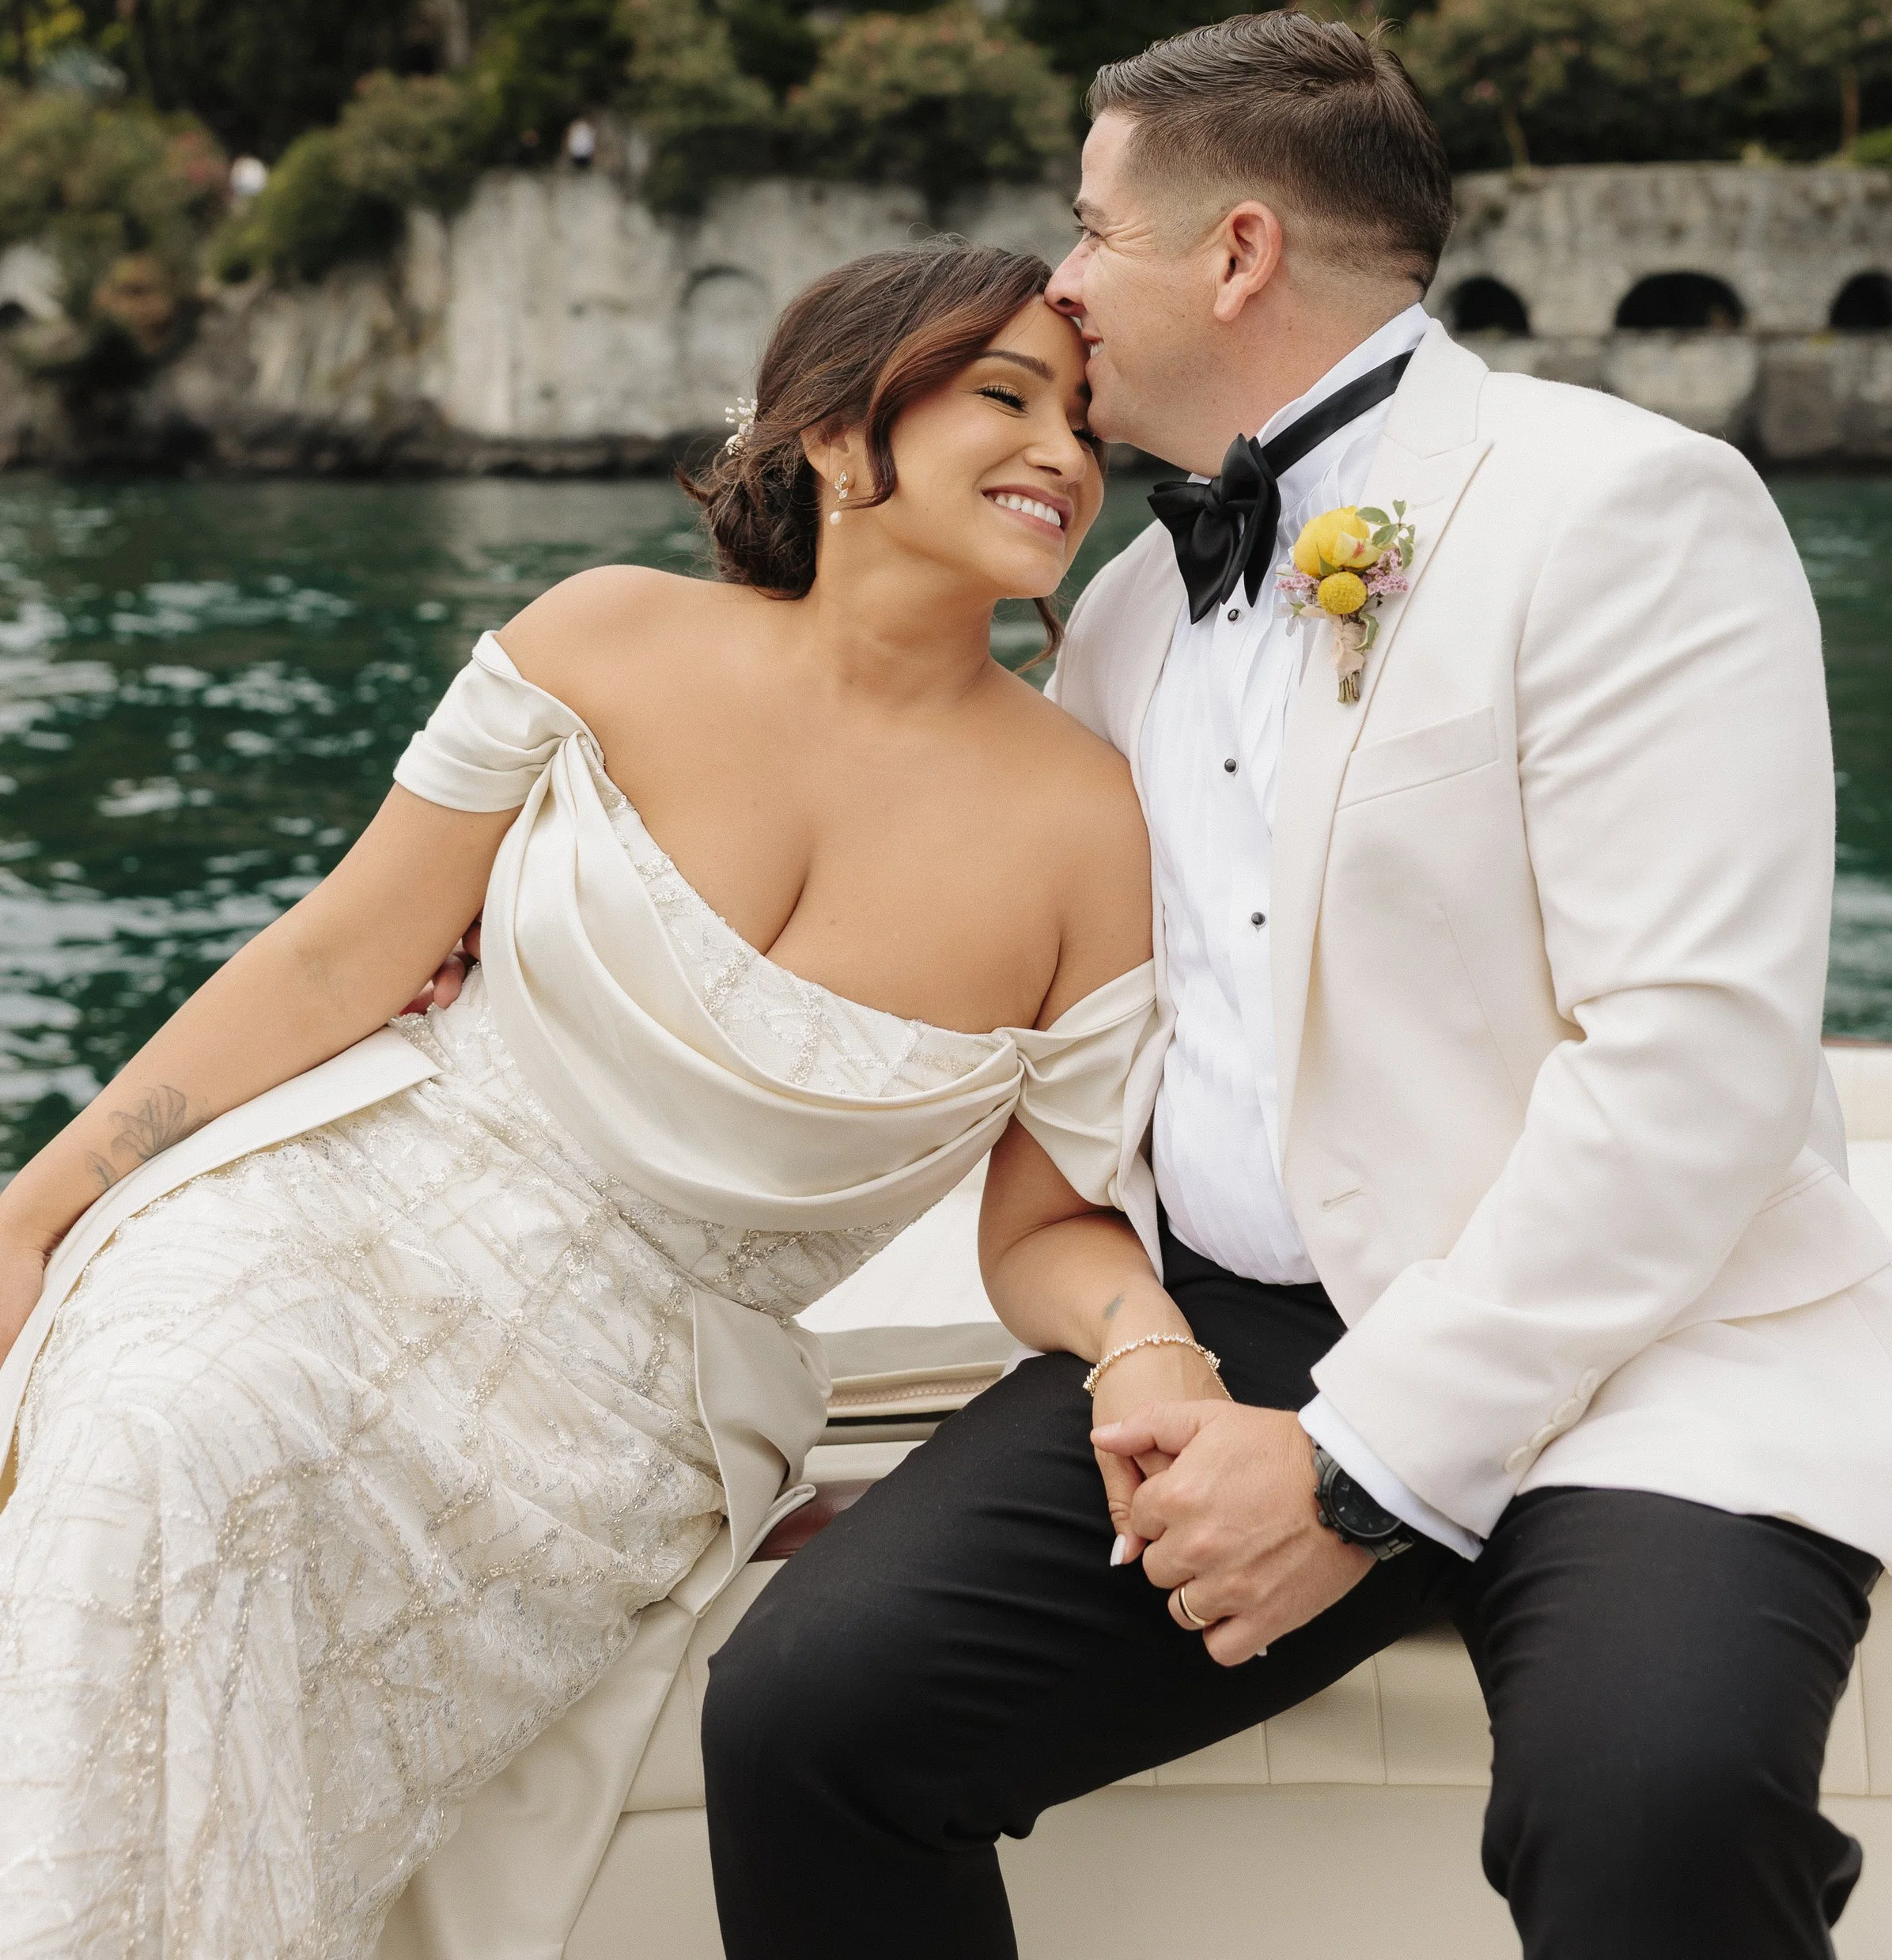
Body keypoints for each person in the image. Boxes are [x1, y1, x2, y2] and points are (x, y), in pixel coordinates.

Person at [703, 12, 1892, 1960]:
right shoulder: (1115, 615)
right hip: (1229, 1335)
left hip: (1648, 1351)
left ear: (1235, 255)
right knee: (808, 1719)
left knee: (1653, 1806)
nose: (1053, 283)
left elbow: (1695, 1067)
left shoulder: (1625, 509)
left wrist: (1356, 1468)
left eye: (1089, 227)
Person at [0, 244, 1179, 1960]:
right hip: (338, 1204)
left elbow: (1043, 1221)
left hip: (626, 1396)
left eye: (1083, 422)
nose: (1065, 456)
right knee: (168, 1428)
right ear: (842, 441)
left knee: (247, 1515)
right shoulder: (603, 636)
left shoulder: (1090, 826)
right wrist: (36, 1211)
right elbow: (337, 961)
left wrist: (1148, 1343)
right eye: (1003, 397)